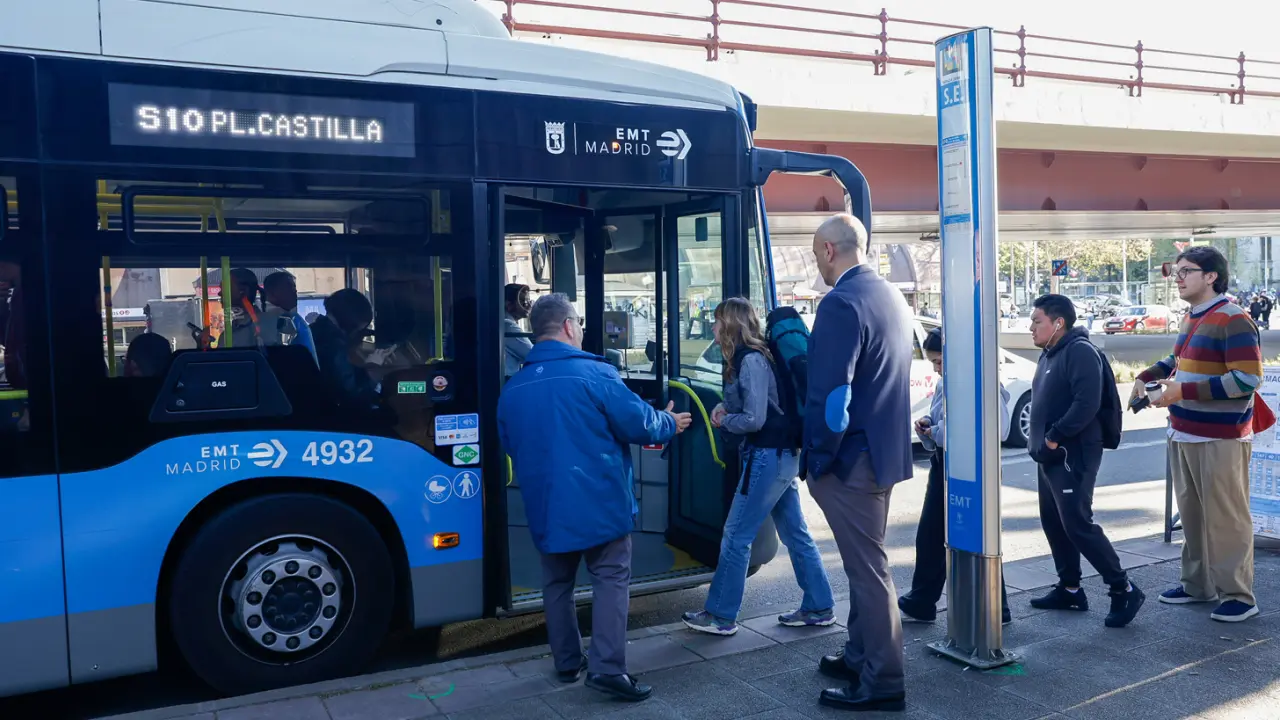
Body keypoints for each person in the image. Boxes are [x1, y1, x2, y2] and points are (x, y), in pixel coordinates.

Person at [497, 293, 692, 702]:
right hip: (599, 499)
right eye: (580, 324)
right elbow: (639, 423)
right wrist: (669, 422)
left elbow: (511, 445)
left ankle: (568, 661)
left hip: (546, 503)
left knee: (557, 582)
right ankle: (607, 668)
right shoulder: (594, 374)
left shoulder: (513, 387)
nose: (582, 331)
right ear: (569, 326)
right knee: (610, 578)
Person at [804, 213, 912, 713]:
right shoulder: (889, 295)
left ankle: (883, 679)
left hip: (851, 461)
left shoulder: (840, 303)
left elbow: (833, 398)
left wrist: (819, 457)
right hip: (885, 454)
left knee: (869, 571)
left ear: (829, 250)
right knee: (862, 563)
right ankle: (860, 654)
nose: (817, 264)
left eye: (815, 254)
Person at [681, 298, 835, 636]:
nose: (713, 327)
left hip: (768, 457)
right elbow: (757, 406)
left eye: (718, 320)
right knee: (795, 533)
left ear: (731, 324)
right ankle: (819, 605)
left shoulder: (750, 360)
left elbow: (754, 419)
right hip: (779, 456)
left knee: (736, 535)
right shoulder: (754, 357)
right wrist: (725, 408)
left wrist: (724, 421)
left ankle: (720, 615)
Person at [1136, 246, 1263, 622]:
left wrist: (1183, 391)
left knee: (1226, 517)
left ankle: (1239, 595)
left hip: (1220, 437)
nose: (1177, 278)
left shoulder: (1233, 319)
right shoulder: (1193, 316)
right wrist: (1149, 375)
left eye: (1185, 271)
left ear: (1211, 277)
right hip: (1184, 430)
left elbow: (1247, 379)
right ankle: (1198, 585)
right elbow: (1178, 359)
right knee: (1192, 516)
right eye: (1174, 271)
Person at [1027, 294, 1144, 628]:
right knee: (1055, 522)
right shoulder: (1050, 353)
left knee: (1077, 523)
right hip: (1050, 456)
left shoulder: (1079, 351)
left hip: (1071, 454)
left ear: (1058, 323)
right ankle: (1070, 589)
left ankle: (1123, 588)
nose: (1031, 327)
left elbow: (1086, 403)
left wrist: (1054, 436)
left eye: (1036, 321)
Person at [900, 328, 1014, 626]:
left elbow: (995, 429)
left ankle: (996, 606)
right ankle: (922, 600)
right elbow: (942, 420)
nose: (936, 369)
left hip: (971, 467)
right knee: (931, 534)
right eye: (932, 363)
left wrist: (936, 431)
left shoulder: (979, 380)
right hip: (944, 464)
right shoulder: (945, 383)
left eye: (939, 361)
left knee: (975, 534)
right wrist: (928, 424)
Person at [310, 289, 380, 409]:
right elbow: (352, 394)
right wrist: (374, 373)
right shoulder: (335, 346)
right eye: (359, 329)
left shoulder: (314, 330)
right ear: (352, 321)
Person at [262, 271, 317, 363]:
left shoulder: (291, 316)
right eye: (289, 287)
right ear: (272, 293)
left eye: (294, 287)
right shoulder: (276, 321)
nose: (295, 291)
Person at [503, 283, 534, 378]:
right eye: (523, 301)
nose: (528, 305)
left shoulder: (506, 323)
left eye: (528, 300)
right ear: (509, 304)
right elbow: (532, 354)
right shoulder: (508, 325)